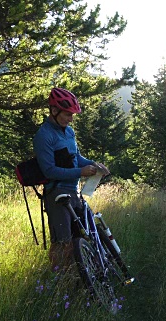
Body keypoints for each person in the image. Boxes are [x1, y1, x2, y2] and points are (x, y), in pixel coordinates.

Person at [34, 87, 109, 271]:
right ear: (54, 111)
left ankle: (86, 275)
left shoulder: (69, 132)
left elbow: (77, 158)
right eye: (68, 114)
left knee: (87, 234)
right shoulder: (43, 136)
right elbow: (49, 171)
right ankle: (61, 283)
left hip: (74, 191)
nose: (71, 119)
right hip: (57, 194)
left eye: (72, 115)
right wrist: (80, 172)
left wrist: (94, 165)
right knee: (63, 241)